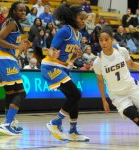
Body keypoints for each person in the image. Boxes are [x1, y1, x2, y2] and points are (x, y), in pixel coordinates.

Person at [93, 27, 139, 144]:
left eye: (106, 39)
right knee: (136, 118)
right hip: (117, 95)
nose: (103, 42)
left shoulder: (122, 51)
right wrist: (104, 100)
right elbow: (100, 81)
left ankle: (135, 104)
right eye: (101, 40)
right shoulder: (98, 62)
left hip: (131, 87)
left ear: (112, 40)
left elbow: (131, 64)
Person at [40, 3, 89, 142]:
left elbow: (70, 56)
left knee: (74, 99)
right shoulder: (64, 31)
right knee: (76, 94)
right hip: (51, 65)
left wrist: (76, 56)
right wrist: (52, 54)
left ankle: (73, 131)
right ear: (73, 18)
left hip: (64, 67)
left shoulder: (78, 35)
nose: (83, 21)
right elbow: (51, 49)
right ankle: (55, 123)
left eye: (85, 19)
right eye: (81, 18)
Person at [0, 2, 30, 136]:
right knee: (21, 93)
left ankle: (10, 122)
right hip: (4, 59)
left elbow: (10, 42)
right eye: (20, 10)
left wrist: (21, 45)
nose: (23, 13)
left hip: (1, 59)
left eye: (24, 11)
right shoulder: (11, 22)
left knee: (11, 93)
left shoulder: (14, 23)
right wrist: (16, 47)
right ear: (13, 11)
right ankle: (7, 124)